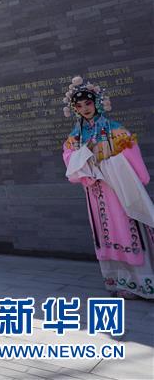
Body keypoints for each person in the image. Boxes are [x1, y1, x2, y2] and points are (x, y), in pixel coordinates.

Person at [62, 77, 154, 300]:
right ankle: (118, 281)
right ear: (74, 109)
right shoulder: (75, 137)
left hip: (118, 190)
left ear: (97, 103)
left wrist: (106, 164)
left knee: (126, 230)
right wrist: (86, 157)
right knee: (107, 233)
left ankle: (141, 282)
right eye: (80, 106)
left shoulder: (116, 131)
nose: (85, 109)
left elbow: (133, 161)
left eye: (88, 103)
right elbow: (69, 162)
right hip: (95, 192)